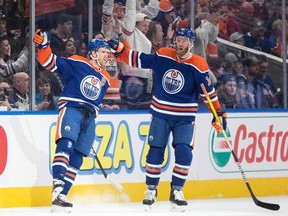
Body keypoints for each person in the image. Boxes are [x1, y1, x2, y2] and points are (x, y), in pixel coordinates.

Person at [107, 28, 227, 211]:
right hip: (160, 114)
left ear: (191, 44)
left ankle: (177, 190)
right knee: (155, 152)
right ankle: (151, 190)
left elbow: (208, 93)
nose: (180, 43)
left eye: (184, 40)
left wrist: (218, 113)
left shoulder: (198, 64)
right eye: (178, 39)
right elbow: (141, 60)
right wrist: (121, 51)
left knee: (184, 152)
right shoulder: (164, 55)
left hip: (185, 118)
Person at [33, 29, 111, 212]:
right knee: (66, 144)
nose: (107, 55)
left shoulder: (106, 77)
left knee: (77, 158)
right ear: (93, 52)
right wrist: (43, 45)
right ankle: (57, 183)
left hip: (90, 118)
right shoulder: (77, 62)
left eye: (108, 52)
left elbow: (95, 101)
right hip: (72, 110)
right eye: (104, 52)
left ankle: (62, 195)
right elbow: (48, 61)